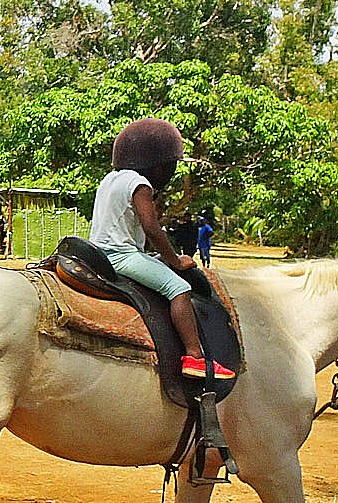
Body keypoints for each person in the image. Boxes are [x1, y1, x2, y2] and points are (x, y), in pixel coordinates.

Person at [88, 118, 234, 380]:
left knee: (159, 267)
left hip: (100, 251)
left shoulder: (109, 180)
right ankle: (195, 357)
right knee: (178, 288)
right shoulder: (139, 185)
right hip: (121, 256)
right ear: (156, 164)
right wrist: (175, 261)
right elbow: (152, 228)